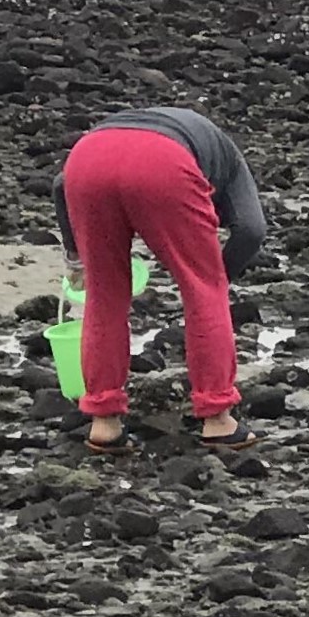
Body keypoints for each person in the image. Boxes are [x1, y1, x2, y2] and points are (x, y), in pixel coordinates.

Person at [56, 107, 273, 453]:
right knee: (203, 290)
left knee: (104, 295)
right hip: (164, 164)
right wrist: (218, 279)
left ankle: (104, 422)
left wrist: (75, 258)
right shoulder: (230, 162)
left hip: (86, 157)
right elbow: (250, 230)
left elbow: (60, 185)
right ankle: (217, 418)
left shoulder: (191, 136)